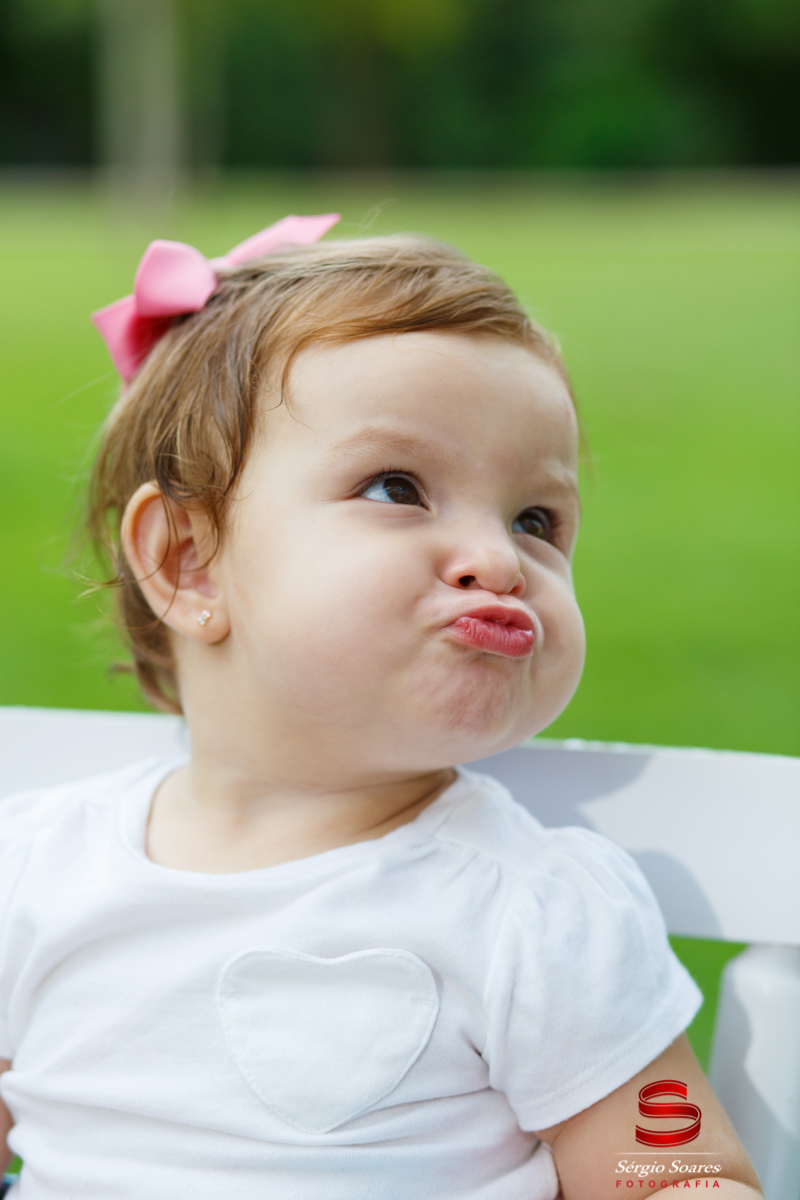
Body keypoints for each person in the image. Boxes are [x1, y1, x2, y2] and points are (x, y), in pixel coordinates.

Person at [0, 215, 762, 1199]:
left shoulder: (534, 910)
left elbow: (672, 1173)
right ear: (189, 561)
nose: (497, 558)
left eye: (535, 519)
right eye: (398, 487)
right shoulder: (36, 872)